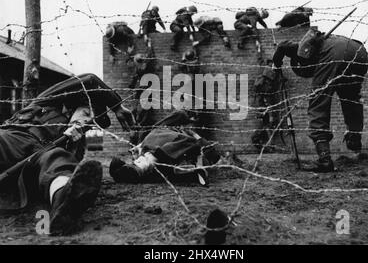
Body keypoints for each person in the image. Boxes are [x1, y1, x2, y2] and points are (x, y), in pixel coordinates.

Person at [0, 74, 134, 234]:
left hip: (38, 164)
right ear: (71, 108)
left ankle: (64, 205)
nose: (86, 123)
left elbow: (69, 166)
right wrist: (117, 106)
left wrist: (71, 143)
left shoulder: (77, 143)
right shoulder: (46, 102)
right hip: (15, 139)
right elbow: (89, 80)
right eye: (85, 114)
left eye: (91, 123)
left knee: (59, 161)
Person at [272, 29, 368, 172]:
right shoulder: (316, 45)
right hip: (359, 52)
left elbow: (282, 45)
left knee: (318, 101)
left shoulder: (298, 49)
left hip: (335, 54)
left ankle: (324, 160)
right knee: (351, 98)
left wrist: (276, 64)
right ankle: (354, 138)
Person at [109, 110, 221, 185]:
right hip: (157, 150)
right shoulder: (163, 129)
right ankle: (134, 169)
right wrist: (140, 145)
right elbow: (174, 118)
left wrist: (195, 135)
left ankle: (136, 169)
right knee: (155, 139)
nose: (187, 124)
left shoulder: (191, 137)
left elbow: (213, 154)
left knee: (184, 144)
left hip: (171, 157)